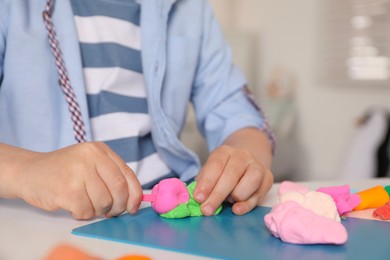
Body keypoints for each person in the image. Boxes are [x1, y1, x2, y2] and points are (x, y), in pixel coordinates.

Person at [0, 0, 275, 220]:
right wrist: (26, 170)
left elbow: (235, 112)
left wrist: (247, 157)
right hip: (47, 224)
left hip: (165, 225)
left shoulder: (191, 8)